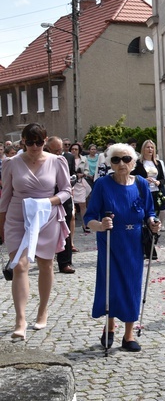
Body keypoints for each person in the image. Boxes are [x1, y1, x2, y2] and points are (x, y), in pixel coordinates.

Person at [86, 143, 161, 352]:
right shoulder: (102, 185)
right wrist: (100, 225)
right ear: (110, 163)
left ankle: (128, 335)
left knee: (131, 285)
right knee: (110, 284)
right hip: (110, 240)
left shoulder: (141, 185)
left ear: (134, 162)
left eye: (126, 159)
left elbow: (149, 212)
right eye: (116, 159)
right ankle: (109, 327)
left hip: (133, 243)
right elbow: (89, 217)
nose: (121, 163)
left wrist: (154, 222)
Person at [0, 123, 71, 340]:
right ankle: (20, 320)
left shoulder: (57, 161)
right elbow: (5, 196)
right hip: (17, 217)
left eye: (39, 142)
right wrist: (1, 224)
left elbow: (67, 191)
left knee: (45, 263)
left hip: (46, 217)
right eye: (29, 142)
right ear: (23, 142)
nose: (34, 147)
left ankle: (42, 309)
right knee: (19, 265)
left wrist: (48, 202)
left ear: (45, 140)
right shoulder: (11, 163)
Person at [47, 137, 76, 274]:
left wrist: (72, 183)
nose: (59, 152)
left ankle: (65, 263)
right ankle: (46, 258)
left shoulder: (68, 157)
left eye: (61, 149)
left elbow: (73, 174)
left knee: (65, 230)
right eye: (55, 150)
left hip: (65, 198)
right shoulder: (45, 159)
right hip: (48, 198)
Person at [131, 140, 165, 232]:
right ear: (143, 149)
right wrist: (144, 180)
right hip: (144, 191)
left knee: (159, 210)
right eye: (148, 147)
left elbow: (163, 178)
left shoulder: (158, 163)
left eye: (152, 147)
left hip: (157, 190)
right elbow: (132, 176)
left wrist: (159, 182)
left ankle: (157, 227)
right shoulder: (138, 163)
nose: (150, 149)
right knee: (146, 211)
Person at [69, 142, 92, 245]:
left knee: (83, 204)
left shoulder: (83, 159)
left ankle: (84, 224)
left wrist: (83, 174)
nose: (74, 151)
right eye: (72, 149)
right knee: (72, 205)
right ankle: (71, 224)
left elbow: (87, 169)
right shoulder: (67, 158)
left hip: (81, 182)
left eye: (76, 149)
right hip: (71, 183)